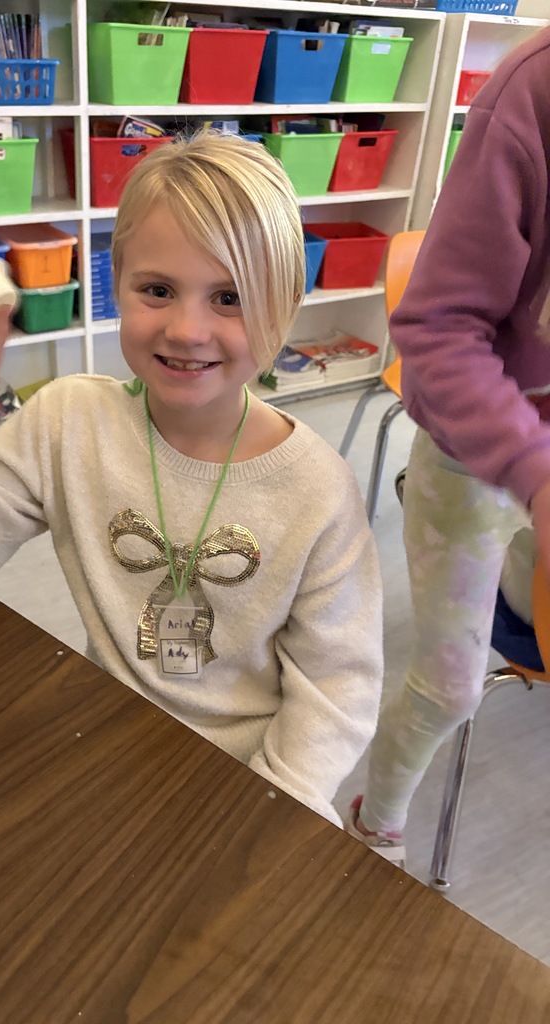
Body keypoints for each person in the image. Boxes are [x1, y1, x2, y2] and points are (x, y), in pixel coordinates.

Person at [0, 131, 383, 827]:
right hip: (97, 747)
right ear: (117, 285)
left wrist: (275, 808)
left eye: (229, 297)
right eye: (158, 290)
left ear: (284, 306)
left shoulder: (318, 490)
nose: (187, 328)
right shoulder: (69, 420)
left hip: (247, 785)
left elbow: (338, 685)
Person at [346, 28, 550, 864]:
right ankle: (377, 822)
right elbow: (435, 323)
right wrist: (533, 476)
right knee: (449, 685)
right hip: (477, 450)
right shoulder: (532, 95)